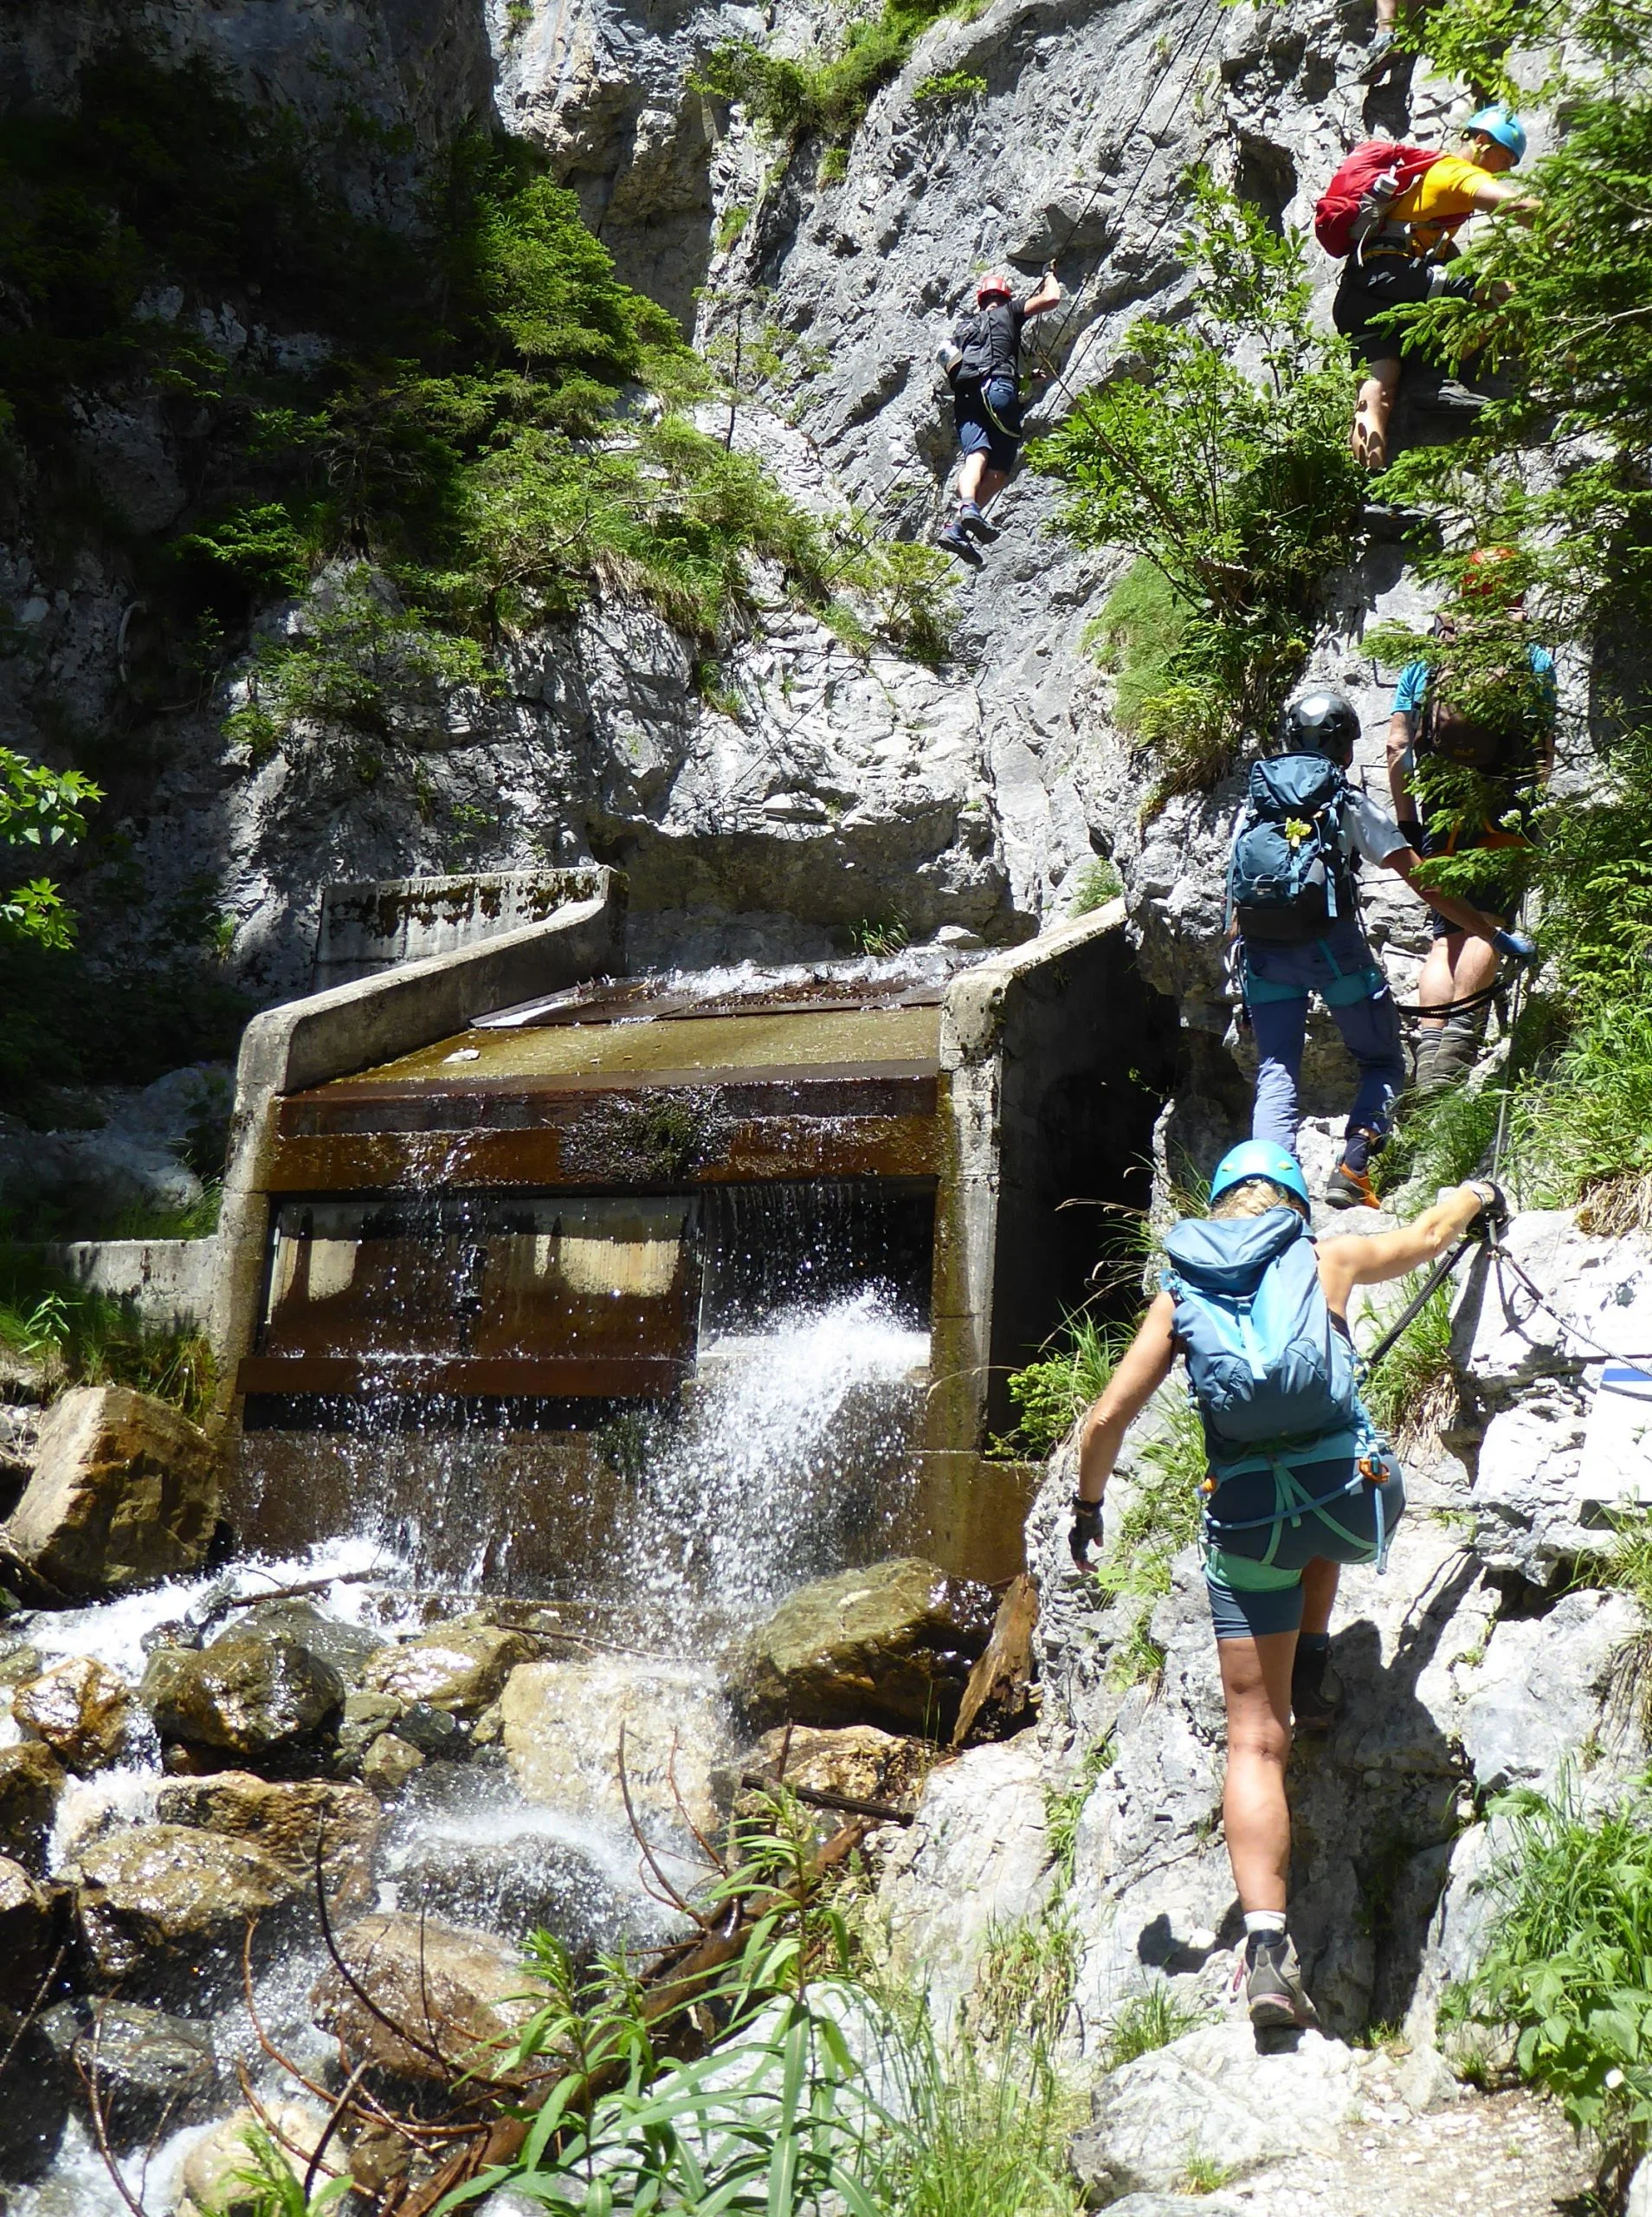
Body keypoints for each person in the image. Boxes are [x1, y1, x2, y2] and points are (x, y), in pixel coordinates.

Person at [1069, 1143, 1504, 2028]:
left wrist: (1087, 1508)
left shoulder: (1180, 1291)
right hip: (1355, 1507)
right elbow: (1428, 1235)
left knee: (1255, 1744)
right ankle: (1313, 1652)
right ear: (1294, 1205)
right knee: (1325, 1509)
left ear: (1219, 1203)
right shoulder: (1325, 1256)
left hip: (1248, 1524)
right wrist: (1477, 1189)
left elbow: (1107, 1416)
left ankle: (1265, 1948)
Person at [1229, 690, 1528, 1208]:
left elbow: (1236, 897)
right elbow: (1425, 883)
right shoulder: (1344, 802)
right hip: (1334, 950)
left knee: (1277, 1070)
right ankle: (1354, 1168)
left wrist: (1241, 982)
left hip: (1264, 955)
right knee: (1382, 1060)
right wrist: (1489, 933)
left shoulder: (1256, 804)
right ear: (1344, 747)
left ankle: (1269, 1200)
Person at [1386, 549, 1556, 1092]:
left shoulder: (1429, 655)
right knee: (1491, 918)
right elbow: (1544, 747)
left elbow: (1395, 744)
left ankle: (1427, 1056)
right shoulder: (1531, 657)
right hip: (1505, 802)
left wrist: (1408, 822)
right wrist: (1534, 801)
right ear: (1514, 594)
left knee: (1446, 933)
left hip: (1439, 805)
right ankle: (1458, 1051)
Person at [1332, 107, 1536, 473]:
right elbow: (1515, 205)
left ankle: (1373, 492)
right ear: (1482, 141)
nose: (1504, 170)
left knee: (1377, 392)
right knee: (1509, 293)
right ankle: (1438, 380)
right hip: (1397, 276)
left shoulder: (1426, 180)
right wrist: (1569, 228)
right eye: (1504, 158)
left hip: (1359, 291)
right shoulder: (1456, 172)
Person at [937, 266, 1062, 558]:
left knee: (975, 457)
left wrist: (1025, 377)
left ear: (981, 300)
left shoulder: (963, 330)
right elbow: (1052, 298)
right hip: (998, 390)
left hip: (966, 398)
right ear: (1005, 299)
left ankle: (961, 519)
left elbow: (977, 362)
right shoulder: (1009, 312)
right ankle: (964, 517)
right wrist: (1048, 275)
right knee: (998, 471)